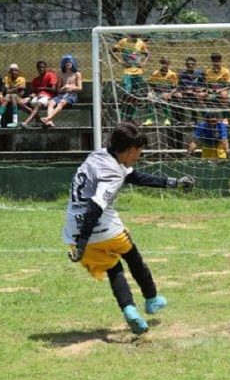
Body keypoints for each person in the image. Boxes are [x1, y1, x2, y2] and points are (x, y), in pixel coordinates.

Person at [62, 122, 194, 334]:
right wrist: (83, 240)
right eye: (139, 151)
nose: (139, 155)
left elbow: (133, 176)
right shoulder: (113, 173)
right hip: (99, 228)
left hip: (72, 230)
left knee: (114, 269)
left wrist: (172, 183)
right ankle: (151, 299)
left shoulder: (98, 155)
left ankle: (130, 311)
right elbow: (96, 205)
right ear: (131, 149)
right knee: (133, 258)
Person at [112, 34, 150, 122]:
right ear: (130, 33)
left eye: (138, 33)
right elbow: (111, 50)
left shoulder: (141, 42)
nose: (136, 35)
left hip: (138, 72)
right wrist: (119, 61)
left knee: (136, 96)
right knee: (127, 92)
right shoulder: (123, 42)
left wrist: (144, 63)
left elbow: (147, 54)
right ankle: (122, 115)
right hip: (128, 72)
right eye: (134, 33)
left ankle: (131, 117)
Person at [43, 55, 83, 128]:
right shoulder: (62, 75)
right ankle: (50, 122)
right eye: (66, 62)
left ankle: (48, 118)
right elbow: (58, 90)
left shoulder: (77, 74)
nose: (68, 63)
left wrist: (70, 87)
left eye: (70, 61)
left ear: (73, 63)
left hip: (71, 95)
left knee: (61, 103)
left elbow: (80, 88)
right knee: (51, 102)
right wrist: (63, 88)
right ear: (63, 64)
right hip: (62, 94)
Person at [21, 61, 58, 128]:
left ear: (46, 68)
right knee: (21, 103)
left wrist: (42, 88)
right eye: (39, 67)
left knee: (38, 104)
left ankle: (26, 122)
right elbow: (32, 91)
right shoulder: (35, 79)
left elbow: (54, 89)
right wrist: (32, 94)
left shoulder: (50, 75)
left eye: (43, 67)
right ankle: (39, 120)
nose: (41, 69)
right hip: (37, 97)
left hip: (47, 97)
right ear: (37, 69)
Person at [144, 57, 178, 126]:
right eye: (163, 63)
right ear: (161, 64)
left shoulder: (172, 74)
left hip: (167, 92)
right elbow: (151, 85)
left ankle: (167, 119)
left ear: (169, 64)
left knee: (164, 98)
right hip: (157, 92)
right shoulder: (156, 73)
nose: (165, 65)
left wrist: (170, 94)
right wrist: (151, 92)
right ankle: (149, 119)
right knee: (149, 98)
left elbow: (175, 88)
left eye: (166, 64)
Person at [0, 64, 26, 128]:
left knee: (13, 95)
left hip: (17, 98)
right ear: (10, 72)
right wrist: (16, 89)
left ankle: (15, 121)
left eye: (16, 70)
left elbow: (21, 93)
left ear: (18, 71)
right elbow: (5, 91)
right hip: (8, 98)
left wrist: (10, 90)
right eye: (12, 70)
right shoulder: (6, 78)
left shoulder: (21, 79)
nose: (14, 72)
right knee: (6, 96)